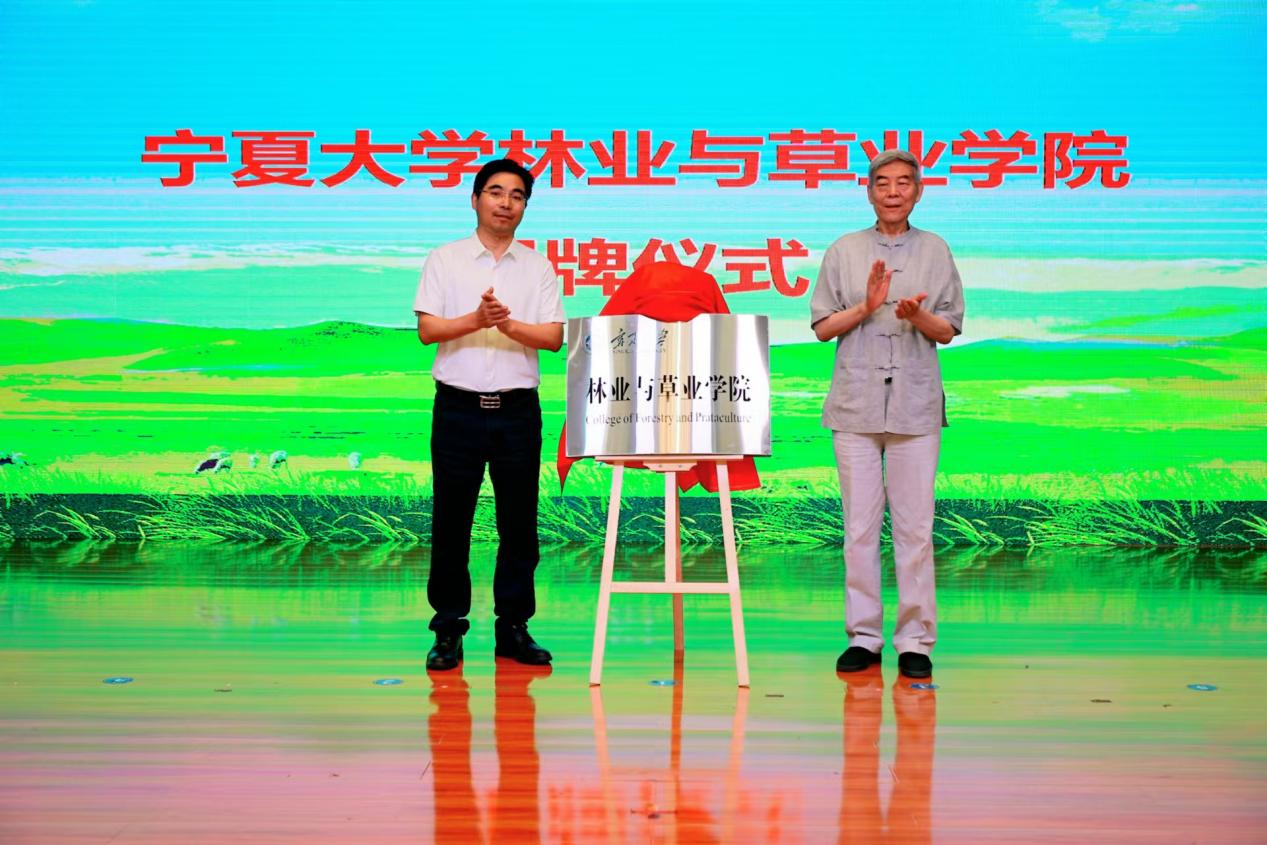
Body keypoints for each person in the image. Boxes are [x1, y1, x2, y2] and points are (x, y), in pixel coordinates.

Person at [809, 149, 965, 679]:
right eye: (883, 182)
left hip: (915, 405)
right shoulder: (844, 250)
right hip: (855, 404)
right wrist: (867, 306)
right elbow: (823, 328)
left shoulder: (936, 250)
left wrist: (917, 315)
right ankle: (864, 637)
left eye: (903, 182)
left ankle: (915, 641)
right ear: (869, 190)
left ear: (918, 191)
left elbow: (948, 329)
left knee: (915, 529)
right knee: (859, 528)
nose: (893, 191)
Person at [413, 158, 565, 671]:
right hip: (457, 408)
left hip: (517, 412)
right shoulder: (445, 259)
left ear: (525, 206)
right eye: (496, 192)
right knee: (451, 521)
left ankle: (513, 629)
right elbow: (429, 330)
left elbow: (552, 337)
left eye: (517, 195)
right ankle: (448, 629)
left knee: (519, 525)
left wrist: (505, 325)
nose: (506, 203)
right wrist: (477, 319)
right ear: (475, 199)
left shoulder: (538, 266)